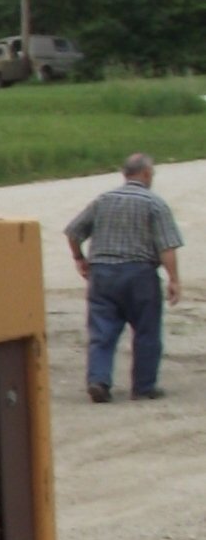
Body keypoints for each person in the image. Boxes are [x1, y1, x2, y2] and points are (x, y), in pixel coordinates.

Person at [65, 153, 184, 402]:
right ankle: (143, 387)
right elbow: (166, 247)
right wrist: (174, 279)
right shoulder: (154, 204)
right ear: (147, 174)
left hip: (102, 274)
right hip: (139, 274)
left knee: (101, 331)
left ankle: (98, 380)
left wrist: (79, 258)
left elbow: (74, 231)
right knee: (146, 332)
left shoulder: (103, 201)